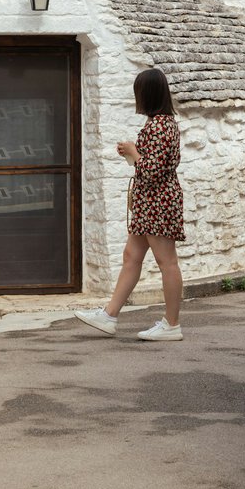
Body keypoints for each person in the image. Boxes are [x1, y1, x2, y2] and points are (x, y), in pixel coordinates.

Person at [75, 67, 185, 341]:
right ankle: (109, 315)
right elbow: (149, 165)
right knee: (131, 257)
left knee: (166, 262)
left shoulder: (160, 125)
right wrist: (133, 153)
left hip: (158, 201)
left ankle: (172, 325)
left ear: (147, 94)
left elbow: (151, 170)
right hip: (151, 201)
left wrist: (135, 152)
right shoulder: (161, 123)